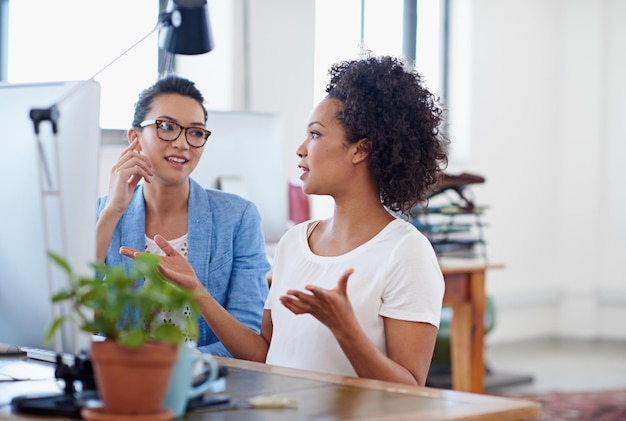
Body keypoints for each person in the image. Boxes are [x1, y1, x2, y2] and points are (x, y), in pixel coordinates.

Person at [121, 55, 448, 386]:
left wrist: (345, 329)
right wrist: (196, 292)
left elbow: (410, 388)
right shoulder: (295, 242)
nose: (301, 149)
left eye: (316, 135)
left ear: (360, 150)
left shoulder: (406, 252)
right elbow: (265, 354)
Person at [96, 75, 270, 357]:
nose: (182, 143)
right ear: (134, 138)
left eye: (196, 132)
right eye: (166, 127)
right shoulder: (102, 213)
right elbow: (72, 315)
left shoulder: (238, 217)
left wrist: (176, 363)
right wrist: (112, 213)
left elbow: (248, 340)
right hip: (121, 377)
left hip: (206, 383)